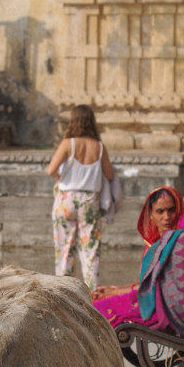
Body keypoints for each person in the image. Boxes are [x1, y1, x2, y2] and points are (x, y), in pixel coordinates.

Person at [91, 190, 184, 338]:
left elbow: (159, 285)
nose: (167, 218)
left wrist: (117, 292)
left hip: (173, 316)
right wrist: (118, 290)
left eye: (171, 210)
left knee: (94, 311)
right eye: (160, 211)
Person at [46, 105, 115, 292]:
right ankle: (93, 295)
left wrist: (63, 181)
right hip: (89, 201)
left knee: (64, 250)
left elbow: (51, 169)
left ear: (73, 121)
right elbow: (110, 174)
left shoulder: (68, 144)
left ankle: (64, 295)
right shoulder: (99, 147)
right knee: (91, 252)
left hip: (66, 199)